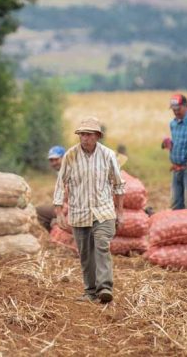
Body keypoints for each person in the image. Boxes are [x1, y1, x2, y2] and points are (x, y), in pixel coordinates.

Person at [54, 117, 125, 304]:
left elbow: (118, 185)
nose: (84, 138)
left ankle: (105, 287)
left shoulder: (108, 155)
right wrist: (59, 212)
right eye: (81, 134)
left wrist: (121, 212)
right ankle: (90, 291)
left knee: (102, 243)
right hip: (79, 211)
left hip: (103, 210)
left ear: (97, 136)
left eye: (88, 134)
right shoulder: (70, 156)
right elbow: (60, 184)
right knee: (85, 253)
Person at [36, 145, 66, 232]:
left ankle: (50, 234)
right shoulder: (60, 172)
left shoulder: (67, 172)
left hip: (69, 207)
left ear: (64, 158)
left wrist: (60, 213)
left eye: (56, 159)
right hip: (63, 204)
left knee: (38, 212)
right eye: (51, 160)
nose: (54, 163)